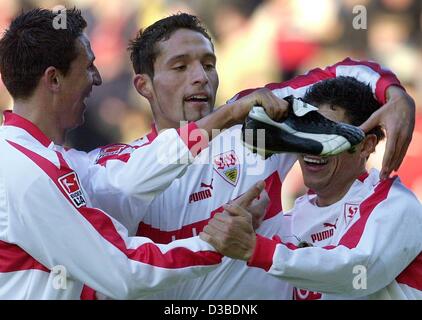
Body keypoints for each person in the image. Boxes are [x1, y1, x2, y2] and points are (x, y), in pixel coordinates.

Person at [79, 13, 415, 299]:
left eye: (208, 64)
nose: (200, 76)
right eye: (180, 67)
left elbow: (342, 75)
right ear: (143, 86)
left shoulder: (254, 126)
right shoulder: (113, 165)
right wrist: (225, 117)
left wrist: (395, 95)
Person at [0, 8, 289, 300]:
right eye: (88, 67)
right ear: (54, 79)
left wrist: (224, 117)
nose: (97, 79)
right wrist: (217, 243)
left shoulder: (44, 159)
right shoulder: (29, 174)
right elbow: (123, 272)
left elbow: (129, 179)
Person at [201, 76, 422, 300]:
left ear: (366, 145)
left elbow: (358, 274)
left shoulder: (396, 205)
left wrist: (255, 247)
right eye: (303, 133)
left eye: (326, 136)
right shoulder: (291, 220)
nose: (311, 148)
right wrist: (251, 230)